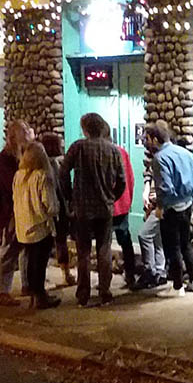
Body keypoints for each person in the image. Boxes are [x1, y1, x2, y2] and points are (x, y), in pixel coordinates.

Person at [61, 113, 126, 307]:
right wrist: (112, 196)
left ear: (85, 129)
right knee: (104, 249)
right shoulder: (113, 150)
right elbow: (121, 180)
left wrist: (70, 196)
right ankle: (105, 292)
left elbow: (63, 172)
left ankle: (83, 295)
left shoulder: (78, 147)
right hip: (105, 208)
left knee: (83, 252)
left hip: (82, 208)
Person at [145, 123, 193, 298]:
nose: (147, 143)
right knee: (186, 243)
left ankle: (178, 286)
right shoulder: (185, 153)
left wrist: (160, 207)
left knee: (173, 247)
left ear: (155, 139)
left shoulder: (160, 158)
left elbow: (165, 188)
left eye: (148, 139)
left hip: (171, 208)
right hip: (187, 205)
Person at [13, 142, 62, 309]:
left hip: (23, 226)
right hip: (40, 226)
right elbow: (50, 205)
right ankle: (40, 296)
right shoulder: (42, 176)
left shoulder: (18, 176)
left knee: (29, 261)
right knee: (39, 263)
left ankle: (33, 294)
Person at [0, 120, 33, 307]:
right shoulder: (5, 158)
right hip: (11, 212)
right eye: (23, 131)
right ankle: (3, 291)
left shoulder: (26, 154)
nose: (28, 133)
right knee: (9, 250)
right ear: (14, 136)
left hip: (25, 209)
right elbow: (12, 184)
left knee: (28, 248)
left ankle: (27, 284)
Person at [40, 133, 76, 287]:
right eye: (59, 144)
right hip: (51, 209)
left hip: (57, 208)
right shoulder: (48, 167)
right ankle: (43, 278)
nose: (62, 146)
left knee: (58, 242)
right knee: (50, 244)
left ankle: (64, 273)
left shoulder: (53, 164)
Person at [110, 134, 138, 289]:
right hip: (122, 204)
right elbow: (130, 179)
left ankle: (104, 281)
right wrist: (128, 200)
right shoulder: (122, 152)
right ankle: (130, 274)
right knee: (126, 241)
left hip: (106, 206)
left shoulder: (102, 154)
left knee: (103, 244)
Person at [134, 174, 168, 289]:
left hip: (160, 206)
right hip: (155, 205)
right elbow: (150, 174)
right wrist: (147, 189)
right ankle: (160, 271)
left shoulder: (162, 159)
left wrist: (158, 196)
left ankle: (150, 271)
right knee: (156, 237)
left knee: (144, 235)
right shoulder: (153, 161)